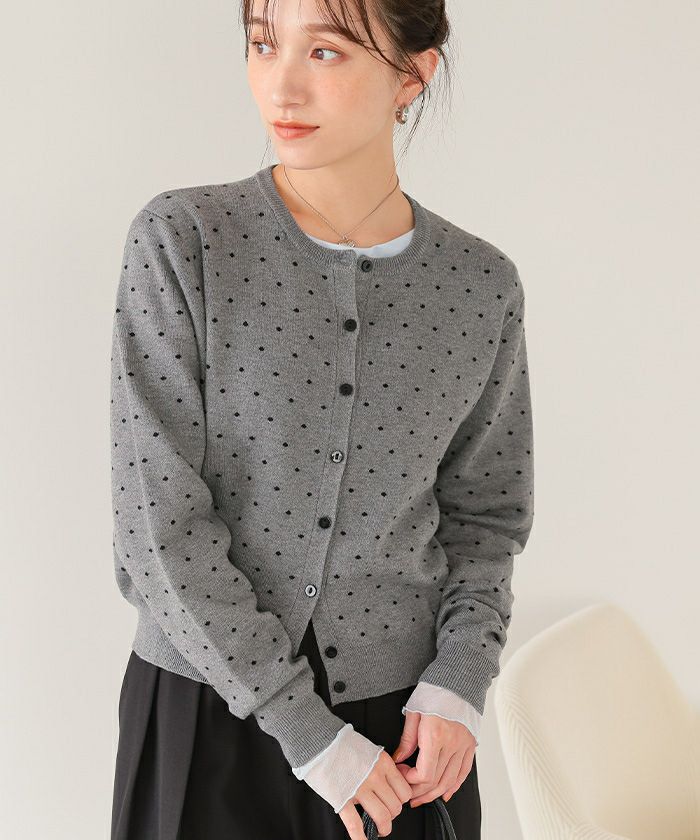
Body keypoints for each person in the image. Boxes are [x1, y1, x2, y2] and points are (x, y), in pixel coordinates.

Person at [109, 0, 535, 838]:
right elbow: (156, 527)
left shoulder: (479, 286)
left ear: (413, 74)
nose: (282, 86)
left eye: (327, 52)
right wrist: (305, 729)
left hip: (406, 739)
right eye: (263, 44)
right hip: (207, 715)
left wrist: (460, 678)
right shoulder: (186, 241)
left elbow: (485, 517)